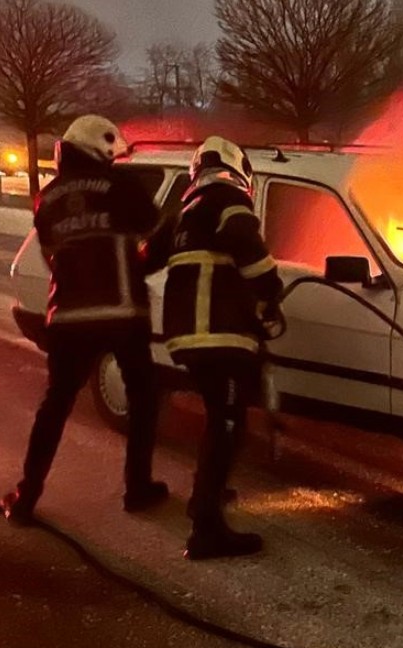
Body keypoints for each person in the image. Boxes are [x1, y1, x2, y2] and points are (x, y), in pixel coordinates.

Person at [2, 115, 169, 524]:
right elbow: (158, 232)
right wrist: (141, 264)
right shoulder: (124, 188)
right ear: (104, 152)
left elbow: (52, 254)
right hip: (122, 313)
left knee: (56, 404)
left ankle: (26, 497)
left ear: (67, 150)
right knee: (143, 399)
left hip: (69, 317)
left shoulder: (47, 198)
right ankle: (137, 488)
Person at [161, 136, 283, 559]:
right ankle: (205, 531)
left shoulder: (185, 210)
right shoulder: (227, 198)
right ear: (239, 169)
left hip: (189, 336)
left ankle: (203, 499)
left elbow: (146, 257)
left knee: (220, 420)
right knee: (227, 426)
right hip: (216, 335)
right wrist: (271, 290)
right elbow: (248, 246)